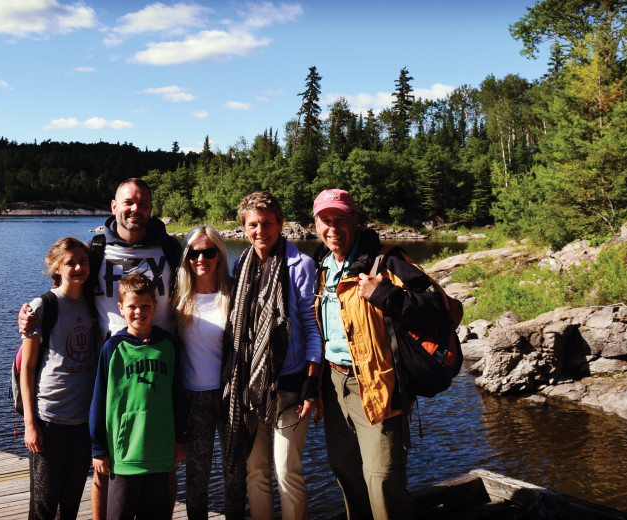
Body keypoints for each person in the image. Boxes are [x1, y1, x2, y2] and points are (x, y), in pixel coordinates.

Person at [19, 178, 182, 520]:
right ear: (114, 206)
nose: (135, 209)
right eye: (128, 203)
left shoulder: (170, 250)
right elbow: (66, 288)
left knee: (148, 461)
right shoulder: (96, 251)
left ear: (151, 209)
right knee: (101, 466)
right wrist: (30, 314)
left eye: (142, 203)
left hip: (155, 362)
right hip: (104, 366)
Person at [311, 189, 447, 520]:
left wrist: (384, 293)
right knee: (347, 474)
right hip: (332, 384)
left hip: (377, 384)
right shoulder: (322, 265)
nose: (333, 228)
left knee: (382, 479)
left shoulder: (387, 260)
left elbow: (438, 309)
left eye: (341, 219)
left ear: (356, 220)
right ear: (315, 224)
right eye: (326, 220)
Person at [221, 191, 323, 520]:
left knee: (286, 471)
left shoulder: (300, 265)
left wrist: (311, 384)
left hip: (291, 389)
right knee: (255, 472)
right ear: (243, 227)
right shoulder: (242, 265)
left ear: (280, 224)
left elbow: (312, 330)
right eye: (252, 225)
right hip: (252, 389)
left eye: (267, 223)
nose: (260, 231)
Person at [89, 273, 187, 520]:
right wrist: (98, 447)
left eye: (145, 306)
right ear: (121, 308)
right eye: (132, 307)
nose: (139, 312)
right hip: (123, 457)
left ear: (155, 306)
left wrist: (180, 439)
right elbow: (100, 399)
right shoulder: (113, 348)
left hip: (161, 454)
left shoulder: (169, 345)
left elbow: (179, 396)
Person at [20, 237, 99, 520]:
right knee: (43, 506)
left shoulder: (94, 304)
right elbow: (27, 368)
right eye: (70, 263)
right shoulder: (42, 306)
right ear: (56, 268)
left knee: (70, 504)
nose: (78, 267)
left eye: (83, 261)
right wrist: (30, 424)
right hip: (49, 420)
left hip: (82, 424)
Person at [168, 226, 233, 520]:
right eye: (194, 253)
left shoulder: (234, 294)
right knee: (197, 475)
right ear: (186, 257)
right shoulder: (178, 298)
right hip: (193, 395)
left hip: (231, 394)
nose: (201, 258)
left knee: (235, 473)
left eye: (209, 251)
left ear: (219, 255)